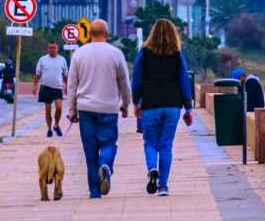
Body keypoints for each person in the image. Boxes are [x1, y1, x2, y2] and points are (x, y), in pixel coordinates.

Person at [67, 19, 132, 198]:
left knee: (90, 151)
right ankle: (105, 165)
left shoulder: (79, 54)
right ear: (107, 34)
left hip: (86, 109)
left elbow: (71, 85)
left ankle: (94, 191)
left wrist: (72, 111)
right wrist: (125, 104)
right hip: (109, 108)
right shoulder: (116, 53)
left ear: (89, 34)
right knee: (109, 143)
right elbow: (124, 83)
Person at [132, 18, 194, 197]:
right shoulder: (177, 54)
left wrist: (136, 101)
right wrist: (188, 107)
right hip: (172, 104)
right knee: (166, 145)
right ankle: (163, 186)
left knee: (150, 142)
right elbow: (184, 81)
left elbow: (137, 80)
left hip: (150, 103)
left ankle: (152, 168)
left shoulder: (144, 54)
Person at [34, 41, 68, 137]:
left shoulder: (62, 60)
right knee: (48, 110)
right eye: (50, 48)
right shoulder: (42, 59)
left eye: (54, 48)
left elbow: (65, 75)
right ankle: (49, 129)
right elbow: (38, 74)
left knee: (59, 108)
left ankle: (56, 125)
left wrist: (67, 86)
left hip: (57, 88)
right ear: (47, 49)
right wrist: (35, 86)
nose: (52, 50)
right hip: (46, 87)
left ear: (57, 49)